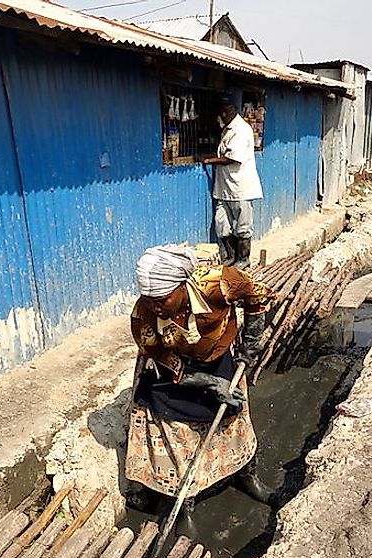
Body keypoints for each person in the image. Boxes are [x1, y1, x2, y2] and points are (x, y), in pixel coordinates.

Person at [125, 245, 274, 529]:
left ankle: (246, 476)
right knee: (175, 439)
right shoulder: (143, 318)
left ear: (182, 286)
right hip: (170, 374)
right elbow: (166, 363)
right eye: (148, 298)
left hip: (219, 359)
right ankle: (182, 506)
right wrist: (209, 384)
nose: (155, 306)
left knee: (232, 421)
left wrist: (251, 342)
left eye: (161, 299)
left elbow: (258, 295)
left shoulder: (218, 283)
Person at [202, 104, 263, 270]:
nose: (219, 120)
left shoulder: (241, 130)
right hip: (224, 187)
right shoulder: (228, 129)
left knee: (243, 225)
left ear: (226, 113)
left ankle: (243, 259)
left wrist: (210, 160)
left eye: (221, 116)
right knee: (222, 223)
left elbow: (233, 158)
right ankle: (231, 256)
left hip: (240, 186)